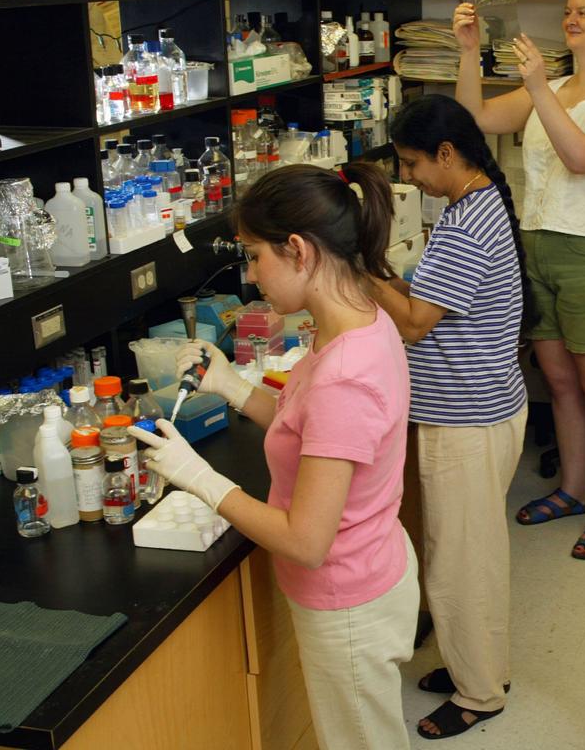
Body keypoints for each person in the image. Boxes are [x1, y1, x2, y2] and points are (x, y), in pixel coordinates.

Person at [129, 163, 418, 750]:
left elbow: (306, 540)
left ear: (298, 250)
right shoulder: (358, 323)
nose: (252, 274)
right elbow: (307, 424)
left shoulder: (345, 374)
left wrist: (202, 479)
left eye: (256, 256)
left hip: (346, 600)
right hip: (373, 566)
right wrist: (233, 385)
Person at [452, 0, 585, 560]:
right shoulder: (554, 85)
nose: (572, 19)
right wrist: (468, 52)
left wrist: (539, 88)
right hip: (535, 247)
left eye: (584, 12)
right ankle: (570, 489)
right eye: (567, 11)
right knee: (558, 381)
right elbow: (475, 119)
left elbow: (583, 157)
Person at [366, 94, 531, 739]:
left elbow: (412, 323)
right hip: (477, 407)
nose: (407, 177)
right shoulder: (474, 203)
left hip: (468, 417)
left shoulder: (467, 223)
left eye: (411, 164)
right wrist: (387, 277)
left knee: (462, 562)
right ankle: (478, 665)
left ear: (445, 154)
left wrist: (356, 269)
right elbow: (426, 297)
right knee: (467, 552)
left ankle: (481, 692)